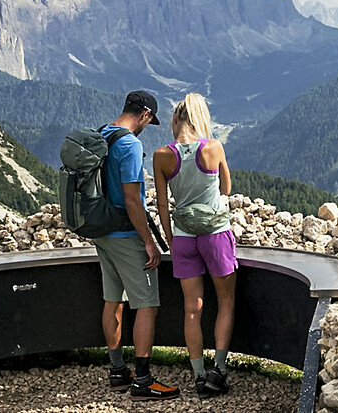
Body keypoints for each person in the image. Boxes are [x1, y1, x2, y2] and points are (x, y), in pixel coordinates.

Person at [95, 90, 179, 400]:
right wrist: (149, 242)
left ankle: (117, 371)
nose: (148, 126)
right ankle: (142, 381)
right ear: (144, 115)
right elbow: (132, 200)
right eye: (149, 120)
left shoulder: (102, 133)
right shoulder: (130, 144)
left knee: (112, 299)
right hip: (125, 235)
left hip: (101, 232)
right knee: (146, 304)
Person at [152, 93, 237, 398]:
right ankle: (220, 371)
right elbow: (226, 188)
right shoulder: (213, 147)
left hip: (183, 236)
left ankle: (199, 377)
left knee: (192, 309)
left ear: (175, 120)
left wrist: (171, 239)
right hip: (215, 234)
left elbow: (162, 203)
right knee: (225, 301)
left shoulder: (162, 154)